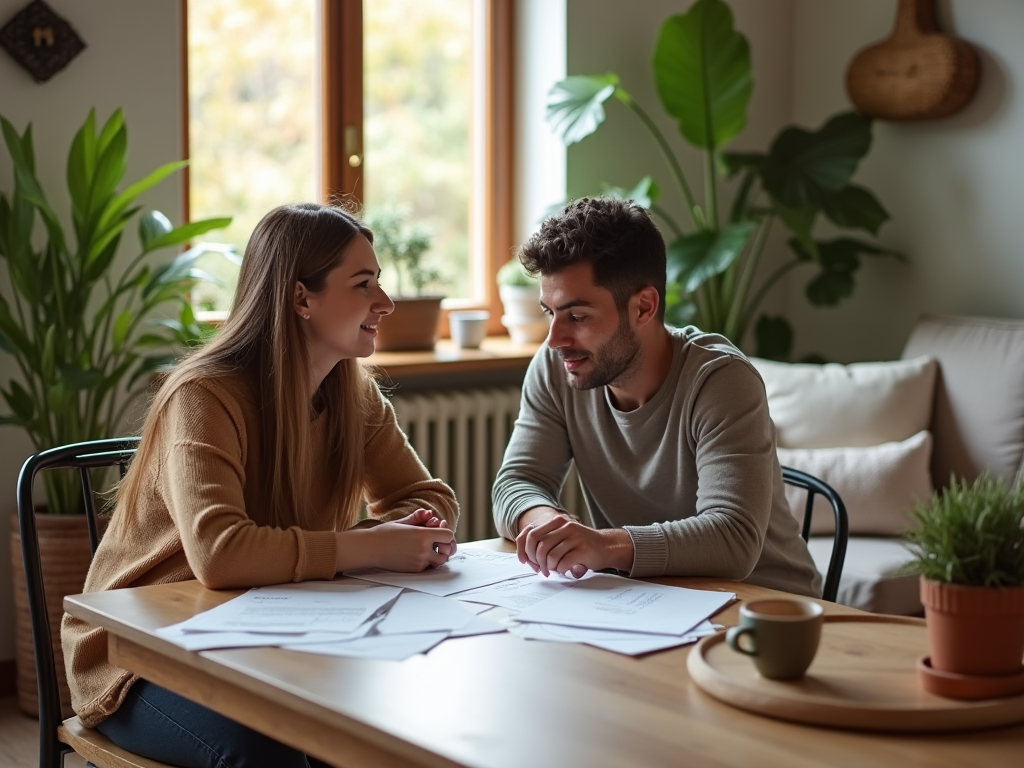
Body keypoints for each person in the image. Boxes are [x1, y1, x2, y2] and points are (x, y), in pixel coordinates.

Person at [61, 203, 459, 768]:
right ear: (302, 299)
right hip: (139, 657)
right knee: (273, 749)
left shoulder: (354, 394)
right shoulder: (203, 396)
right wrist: (370, 546)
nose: (385, 303)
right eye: (363, 283)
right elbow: (221, 554)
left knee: (377, 726)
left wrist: (409, 528)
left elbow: (430, 497)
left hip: (268, 632)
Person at [492, 197, 821, 598]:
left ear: (644, 306)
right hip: (648, 601)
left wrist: (605, 545)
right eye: (550, 312)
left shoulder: (720, 381)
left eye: (577, 316)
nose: (555, 340)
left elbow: (733, 539)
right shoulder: (556, 368)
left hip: (763, 609)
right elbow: (518, 480)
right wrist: (549, 526)